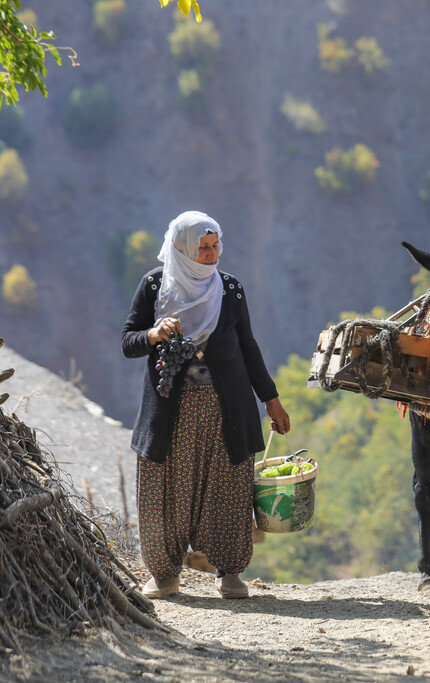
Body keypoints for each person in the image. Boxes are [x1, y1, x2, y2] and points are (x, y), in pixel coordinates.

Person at [122, 210, 291, 596]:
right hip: (170, 412)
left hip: (225, 409)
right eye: (204, 248)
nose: (213, 254)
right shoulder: (154, 287)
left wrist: (272, 400)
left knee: (227, 488)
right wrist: (153, 333)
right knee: (165, 488)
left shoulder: (229, 290)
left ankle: (230, 572)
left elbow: (248, 348)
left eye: (216, 246)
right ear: (181, 248)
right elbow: (128, 340)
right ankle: (165, 574)